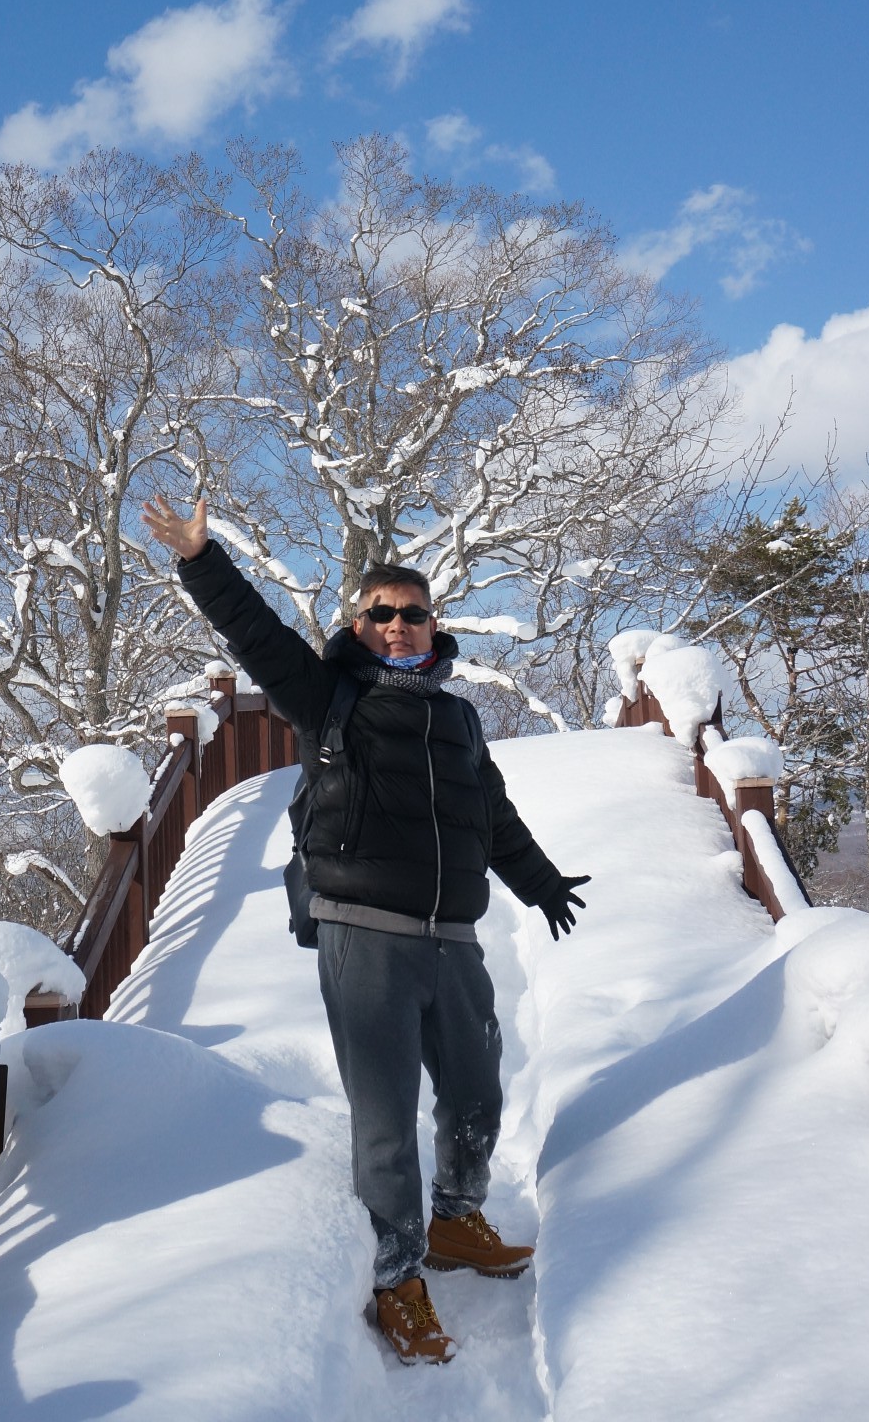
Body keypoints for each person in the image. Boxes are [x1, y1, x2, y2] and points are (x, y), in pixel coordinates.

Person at [141, 493, 589, 1367]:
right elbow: (257, 636)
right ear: (358, 623)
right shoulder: (327, 697)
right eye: (380, 613)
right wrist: (202, 559)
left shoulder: (456, 719)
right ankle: (396, 1275)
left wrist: (536, 884)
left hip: (450, 935)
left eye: (412, 613)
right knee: (383, 1116)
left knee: (476, 1094)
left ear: (434, 624)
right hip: (363, 930)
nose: (397, 625)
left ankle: (456, 1221)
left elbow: (488, 813)